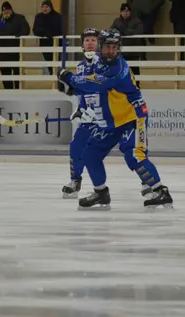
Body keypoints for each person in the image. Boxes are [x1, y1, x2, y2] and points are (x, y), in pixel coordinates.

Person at [57, 29, 173, 210]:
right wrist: (71, 90)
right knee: (90, 154)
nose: (111, 51)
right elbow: (90, 87)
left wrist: (68, 77)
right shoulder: (96, 64)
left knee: (134, 154)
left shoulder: (118, 67)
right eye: (107, 47)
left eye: (114, 47)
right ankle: (101, 193)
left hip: (132, 117)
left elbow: (97, 84)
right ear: (100, 47)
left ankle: (160, 191)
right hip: (111, 122)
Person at [61, 28, 100, 199]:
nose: (90, 43)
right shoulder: (81, 67)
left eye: (93, 40)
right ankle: (75, 181)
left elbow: (101, 87)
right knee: (76, 146)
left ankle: (148, 183)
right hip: (89, 118)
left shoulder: (105, 64)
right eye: (87, 40)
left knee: (127, 149)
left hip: (109, 117)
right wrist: (79, 105)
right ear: (82, 45)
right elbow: (83, 91)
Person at [0, 1, 30, 90]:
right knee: (5, 73)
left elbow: (26, 30)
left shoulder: (19, 19)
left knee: (16, 72)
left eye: (8, 10)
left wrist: (19, 34)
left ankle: (17, 89)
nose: (6, 12)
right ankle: (8, 90)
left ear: (11, 10)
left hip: (15, 51)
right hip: (1, 52)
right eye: (4, 11)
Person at [110, 4, 144, 83]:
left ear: (130, 12)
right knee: (120, 70)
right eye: (123, 11)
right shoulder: (117, 21)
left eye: (127, 11)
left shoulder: (136, 21)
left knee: (134, 70)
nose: (125, 13)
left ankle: (136, 86)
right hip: (120, 51)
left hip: (133, 51)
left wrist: (126, 32)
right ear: (121, 12)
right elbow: (111, 31)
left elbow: (139, 31)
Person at [32, 0, 63, 75]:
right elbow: (35, 30)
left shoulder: (58, 16)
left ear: (51, 7)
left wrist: (51, 33)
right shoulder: (38, 17)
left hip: (56, 43)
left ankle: (58, 78)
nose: (44, 9)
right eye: (43, 7)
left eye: (46, 7)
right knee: (49, 63)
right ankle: (53, 77)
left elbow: (61, 30)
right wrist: (45, 33)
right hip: (44, 44)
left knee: (56, 62)